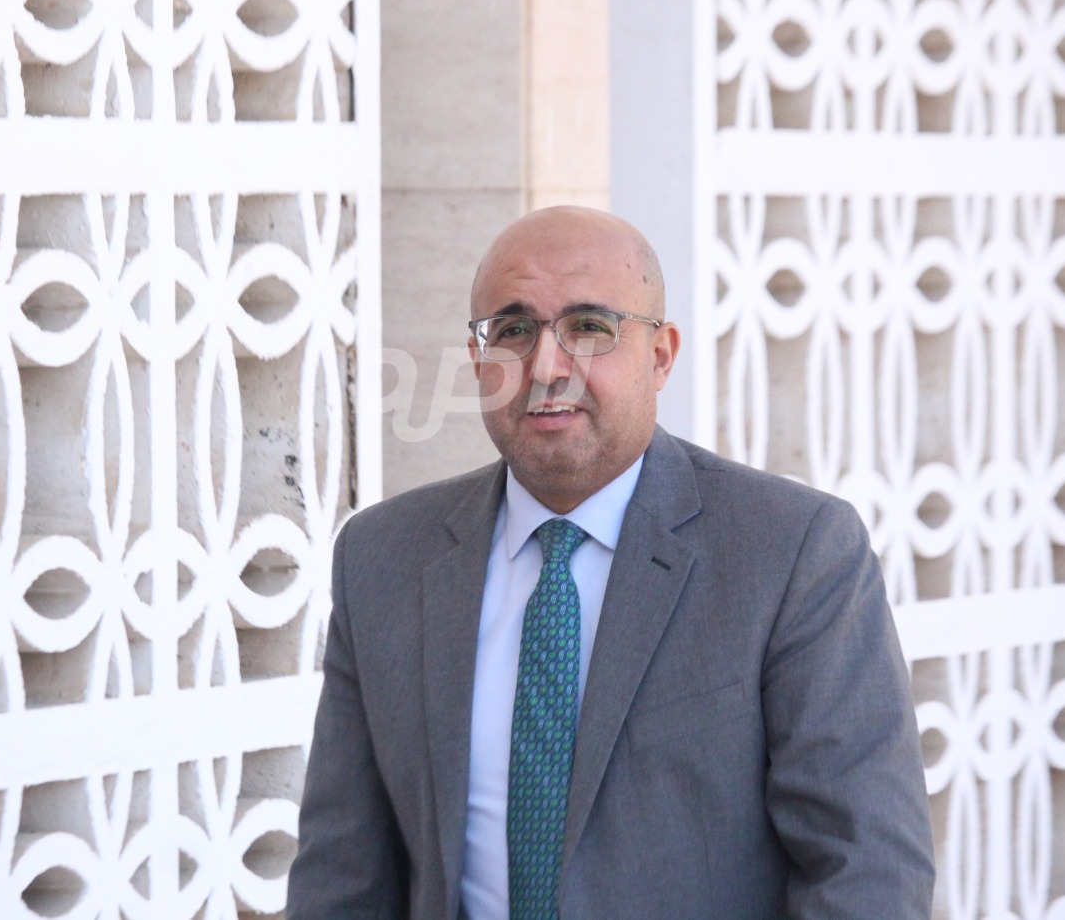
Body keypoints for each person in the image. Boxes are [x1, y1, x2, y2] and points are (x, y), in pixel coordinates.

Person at [287, 206, 934, 918]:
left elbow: (868, 871)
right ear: (477, 359)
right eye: (513, 331)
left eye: (590, 327)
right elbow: (341, 877)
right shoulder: (382, 559)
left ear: (660, 356)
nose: (546, 367)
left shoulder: (792, 553)